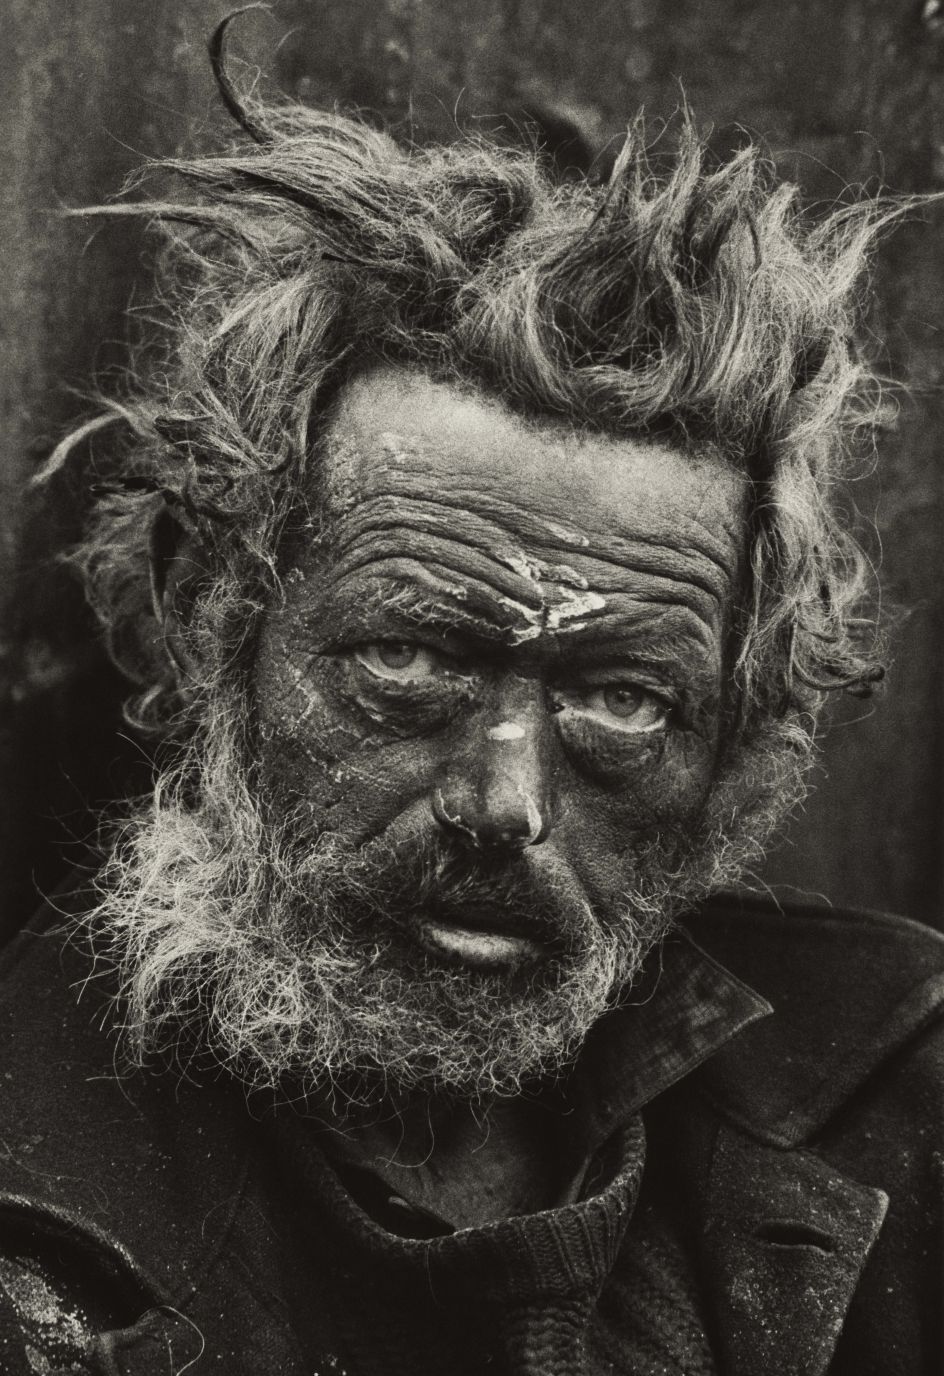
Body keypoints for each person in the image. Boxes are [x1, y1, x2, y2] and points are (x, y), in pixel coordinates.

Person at [0, 22, 941, 1376]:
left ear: (742, 746)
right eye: (411, 664)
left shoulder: (900, 1082)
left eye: (620, 701)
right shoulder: (39, 1228)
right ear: (205, 616)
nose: (505, 804)